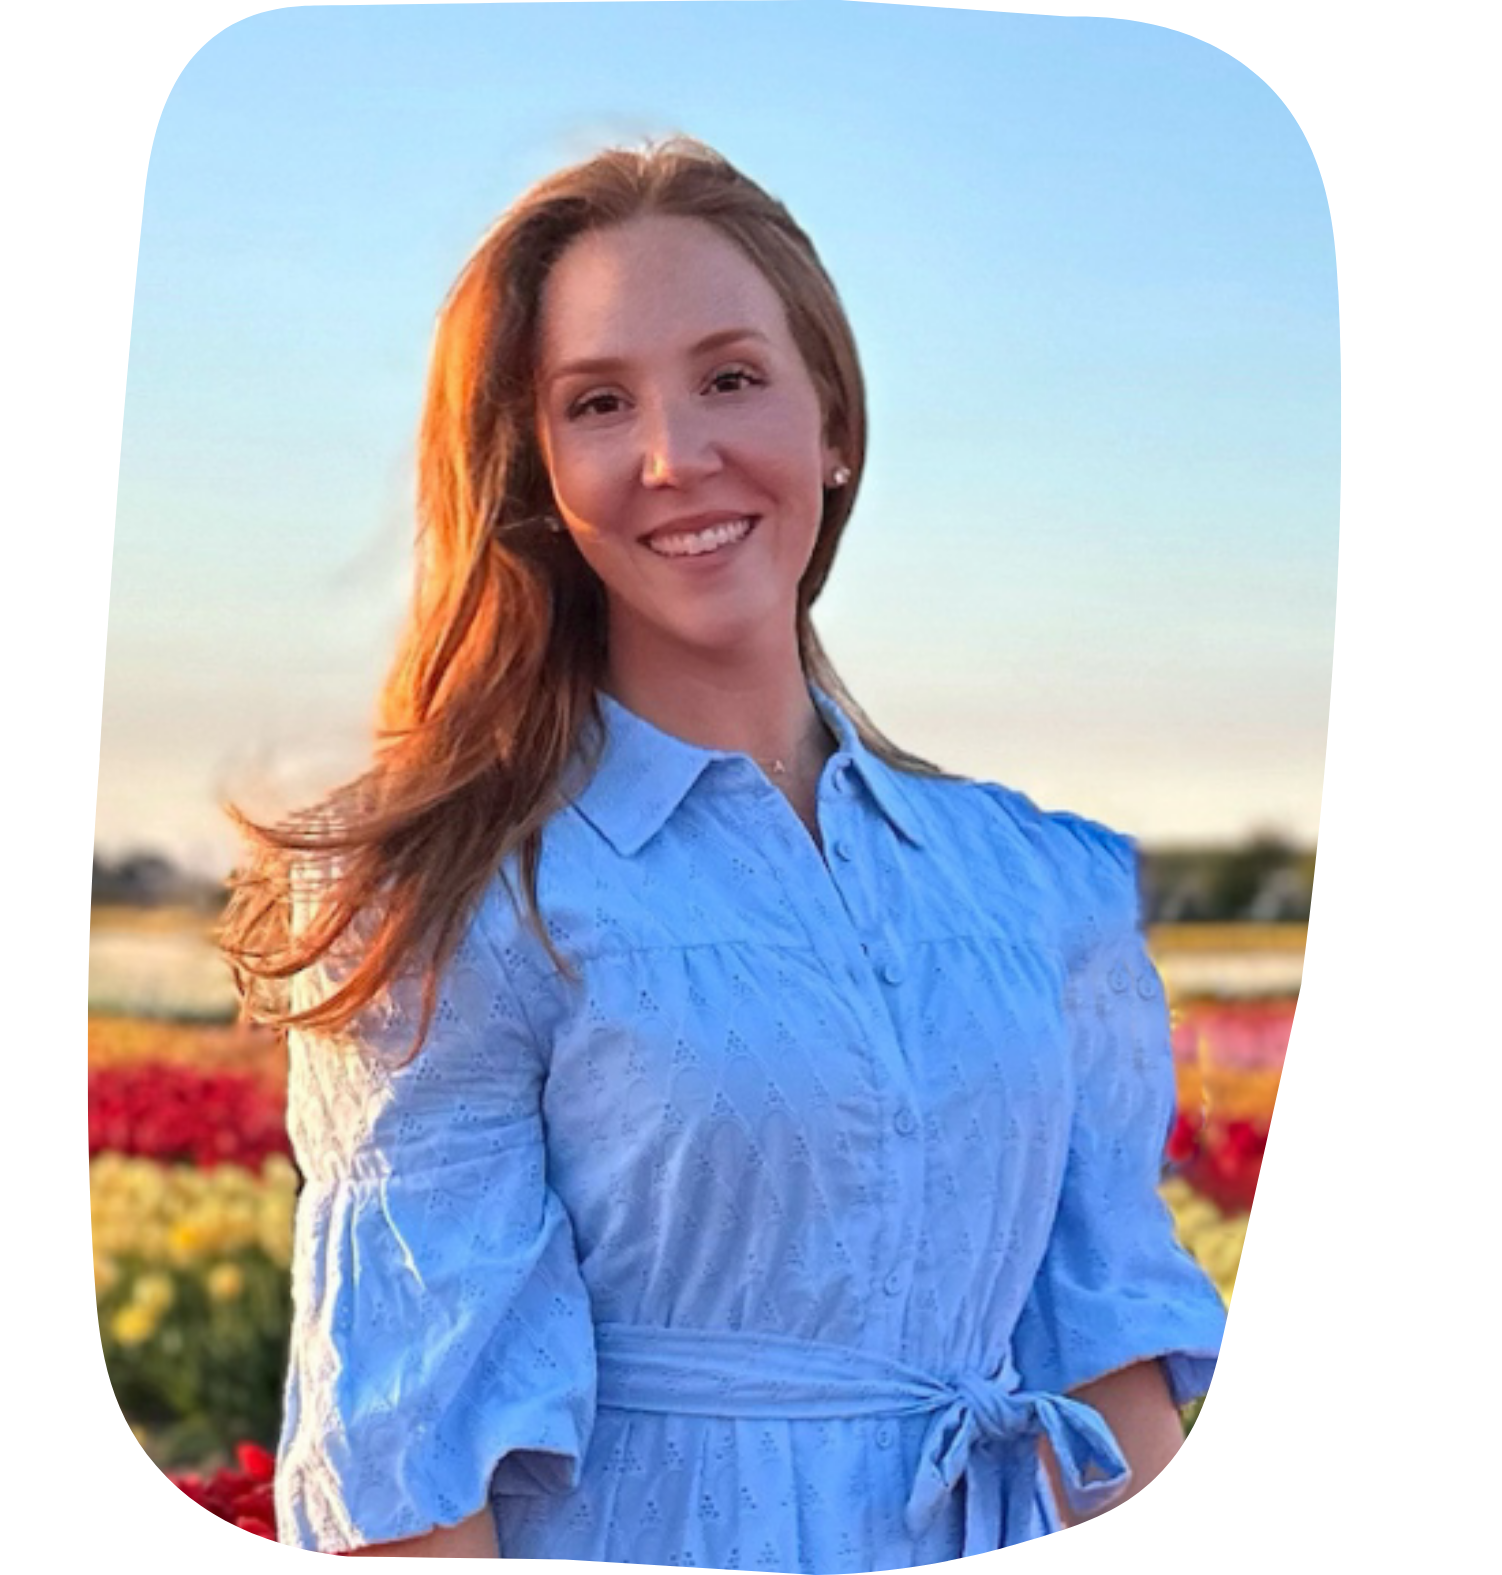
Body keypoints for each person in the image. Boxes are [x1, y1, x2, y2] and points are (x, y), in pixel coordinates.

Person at [218, 134, 1229, 1572]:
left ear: (834, 422)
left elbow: (1110, 1368)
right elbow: (407, 1470)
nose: (673, 453)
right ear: (537, 476)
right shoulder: (466, 903)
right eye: (596, 402)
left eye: (730, 378)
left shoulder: (1032, 882)